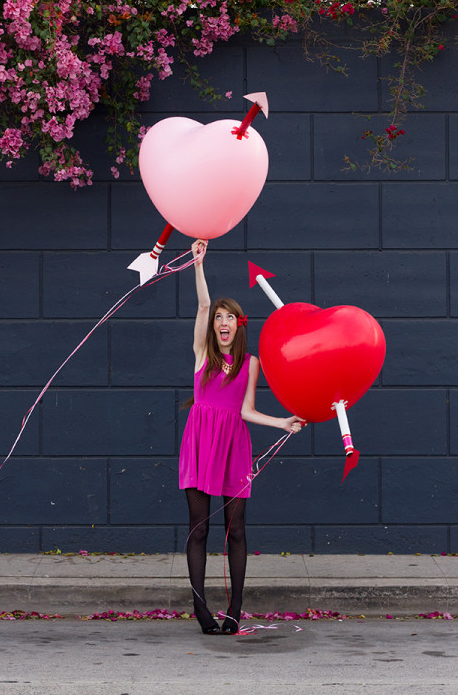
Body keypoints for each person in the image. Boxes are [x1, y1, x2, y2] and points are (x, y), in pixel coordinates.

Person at [179, 239, 305, 635]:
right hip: (200, 442)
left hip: (234, 446)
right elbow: (201, 305)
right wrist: (198, 266)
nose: (222, 322)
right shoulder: (202, 354)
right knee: (199, 527)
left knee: (238, 530)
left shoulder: (251, 364)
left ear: (238, 324)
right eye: (218, 316)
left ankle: (235, 610)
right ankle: (201, 609)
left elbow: (246, 410)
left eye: (229, 317)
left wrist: (282, 422)